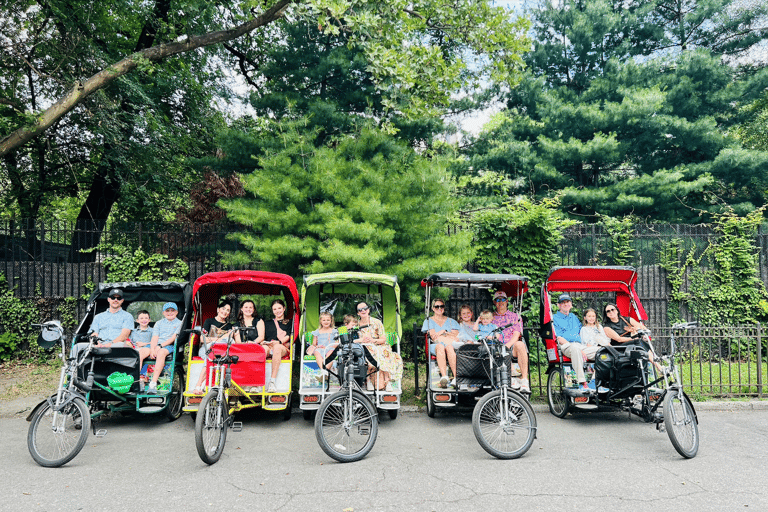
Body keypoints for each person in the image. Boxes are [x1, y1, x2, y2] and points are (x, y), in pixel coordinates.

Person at [357, 301, 401, 391]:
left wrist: (373, 340)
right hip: (364, 346)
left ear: (368, 310)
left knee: (384, 354)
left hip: (378, 345)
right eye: (360, 310)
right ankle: (368, 380)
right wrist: (363, 340)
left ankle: (387, 382)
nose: (363, 311)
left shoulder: (376, 322)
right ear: (358, 313)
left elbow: (383, 339)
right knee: (368, 355)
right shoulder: (356, 325)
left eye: (365, 308)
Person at [491, 290, 530, 393]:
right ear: (494, 302)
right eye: (498, 300)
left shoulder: (515, 316)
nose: (501, 302)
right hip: (496, 347)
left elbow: (517, 334)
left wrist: (507, 345)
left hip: (511, 345)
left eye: (503, 299)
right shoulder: (491, 317)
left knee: (520, 344)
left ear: (507, 301)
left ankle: (524, 380)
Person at [192, 300, 233, 394]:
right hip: (206, 349)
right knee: (210, 358)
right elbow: (202, 339)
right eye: (223, 309)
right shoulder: (209, 321)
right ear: (218, 309)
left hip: (221, 350)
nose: (225, 311)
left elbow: (229, 338)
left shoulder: (229, 326)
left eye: (228, 310)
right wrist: (217, 339)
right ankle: (198, 386)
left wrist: (214, 339)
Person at [552, 293, 590, 395]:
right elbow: (558, 337)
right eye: (562, 302)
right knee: (575, 349)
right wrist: (576, 347)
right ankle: (582, 382)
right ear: (558, 305)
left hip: (580, 345)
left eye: (567, 302)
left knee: (600, 351)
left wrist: (587, 345)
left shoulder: (574, 317)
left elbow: (581, 332)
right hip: (566, 345)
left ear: (571, 304)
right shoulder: (554, 318)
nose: (565, 304)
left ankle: (597, 382)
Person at [603, 302, 660, 369]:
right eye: (608, 311)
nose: (611, 312)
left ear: (617, 310)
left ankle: (654, 364)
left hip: (633, 343)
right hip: (619, 347)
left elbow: (643, 328)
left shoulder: (627, 319)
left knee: (641, 342)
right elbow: (619, 339)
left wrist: (635, 329)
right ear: (606, 314)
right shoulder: (606, 327)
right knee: (639, 342)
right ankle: (657, 365)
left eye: (613, 309)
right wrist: (633, 339)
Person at [144, 302, 182, 394]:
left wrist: (160, 346)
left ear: (176, 312)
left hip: (169, 346)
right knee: (141, 352)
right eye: (167, 311)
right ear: (163, 313)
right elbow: (155, 337)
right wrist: (153, 349)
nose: (170, 312)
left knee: (161, 352)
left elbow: (173, 338)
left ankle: (153, 383)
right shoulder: (159, 323)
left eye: (172, 310)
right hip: (156, 344)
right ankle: (138, 380)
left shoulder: (180, 323)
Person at [421, 298, 460, 388]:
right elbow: (433, 336)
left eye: (441, 306)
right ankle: (444, 377)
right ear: (433, 308)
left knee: (449, 347)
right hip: (436, 345)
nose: (439, 308)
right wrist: (445, 332)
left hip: (449, 344)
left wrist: (443, 332)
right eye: (437, 306)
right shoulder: (428, 321)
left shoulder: (451, 321)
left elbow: (457, 334)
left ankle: (455, 377)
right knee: (440, 346)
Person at [259, 299, 292, 393]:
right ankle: (257, 382)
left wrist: (279, 342)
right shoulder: (267, 323)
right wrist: (265, 343)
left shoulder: (290, 322)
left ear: (284, 308)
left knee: (277, 348)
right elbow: (262, 337)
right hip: (269, 345)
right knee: (263, 350)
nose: (277, 311)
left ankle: (272, 382)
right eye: (275, 309)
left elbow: (289, 336)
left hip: (282, 346)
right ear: (272, 311)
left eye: (279, 308)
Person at [307, 312, 338, 376]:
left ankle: (325, 367)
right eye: (324, 320)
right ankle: (323, 370)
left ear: (331, 321)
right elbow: (314, 343)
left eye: (328, 320)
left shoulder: (334, 331)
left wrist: (332, 346)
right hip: (321, 348)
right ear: (320, 321)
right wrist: (318, 346)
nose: (326, 322)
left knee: (332, 353)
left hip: (330, 348)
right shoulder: (318, 331)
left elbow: (336, 342)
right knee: (317, 352)